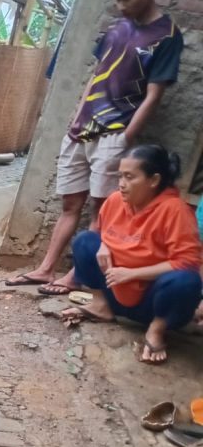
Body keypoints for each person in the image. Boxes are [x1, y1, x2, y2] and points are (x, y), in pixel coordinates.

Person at [6, 0, 184, 294]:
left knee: (101, 208)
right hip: (83, 127)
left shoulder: (167, 36)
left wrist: (125, 136)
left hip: (115, 133)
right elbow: (97, 73)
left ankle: (77, 275)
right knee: (70, 204)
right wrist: (76, 116)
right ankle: (46, 268)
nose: (121, 6)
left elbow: (153, 96)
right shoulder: (117, 28)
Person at [61, 145, 202, 365]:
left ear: (153, 180)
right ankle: (100, 305)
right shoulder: (116, 200)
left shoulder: (175, 211)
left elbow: (187, 262)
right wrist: (104, 246)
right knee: (85, 241)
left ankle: (156, 330)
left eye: (129, 177)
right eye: (120, 176)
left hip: (152, 303)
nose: (121, 183)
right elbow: (101, 231)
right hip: (113, 293)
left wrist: (132, 273)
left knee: (186, 280)